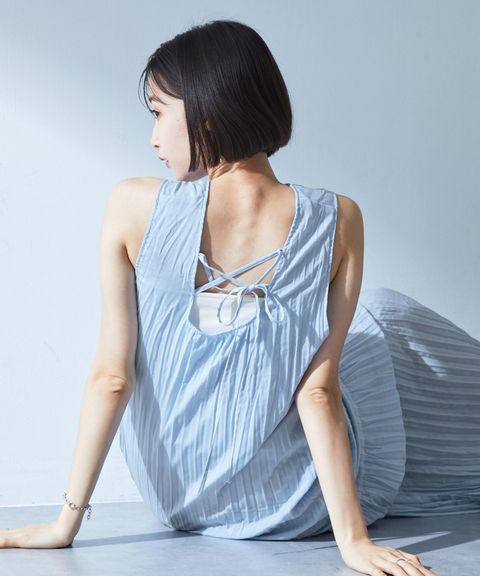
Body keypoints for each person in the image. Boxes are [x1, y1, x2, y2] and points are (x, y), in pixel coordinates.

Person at [1, 18, 478, 576]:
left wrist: (65, 524)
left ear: (206, 110)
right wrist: (353, 542)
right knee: (385, 319)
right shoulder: (339, 218)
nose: (153, 138)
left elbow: (112, 377)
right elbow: (318, 392)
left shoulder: (131, 206)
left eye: (159, 112)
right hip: (294, 504)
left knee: (376, 333)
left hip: (176, 500)